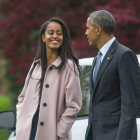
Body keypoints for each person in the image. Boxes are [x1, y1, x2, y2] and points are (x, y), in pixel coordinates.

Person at [16, 18, 82, 140]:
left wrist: (60, 132)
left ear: (64, 38)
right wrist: (21, 120)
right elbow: (22, 97)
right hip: (27, 133)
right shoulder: (36, 65)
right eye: (51, 33)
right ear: (43, 37)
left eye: (59, 33)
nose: (55, 36)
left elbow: (74, 106)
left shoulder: (69, 67)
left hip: (52, 134)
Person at [85, 10, 140, 140]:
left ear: (98, 30)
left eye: (88, 28)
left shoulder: (124, 55)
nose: (86, 33)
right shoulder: (97, 59)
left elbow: (130, 103)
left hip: (115, 135)